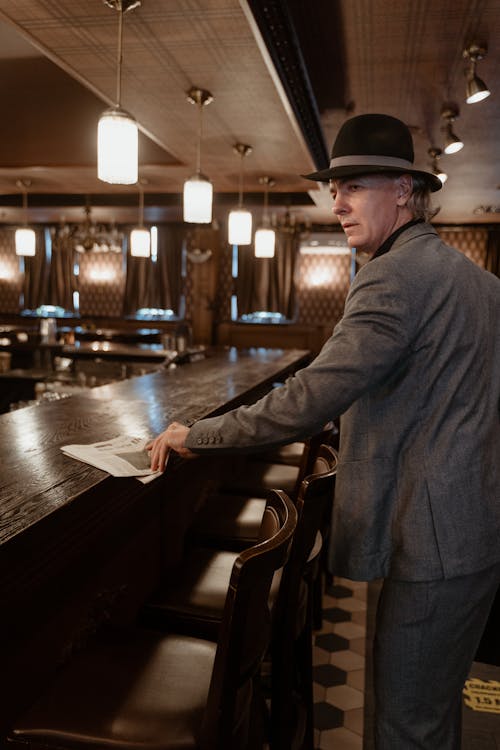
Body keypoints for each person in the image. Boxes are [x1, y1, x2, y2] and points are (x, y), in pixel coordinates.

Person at [147, 114, 500, 749]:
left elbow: (307, 401)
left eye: (352, 185)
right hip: (473, 527)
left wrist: (194, 435)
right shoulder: (478, 281)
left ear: (402, 189)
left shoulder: (392, 275)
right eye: (332, 187)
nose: (335, 201)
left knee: (405, 729)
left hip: (438, 537)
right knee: (432, 718)